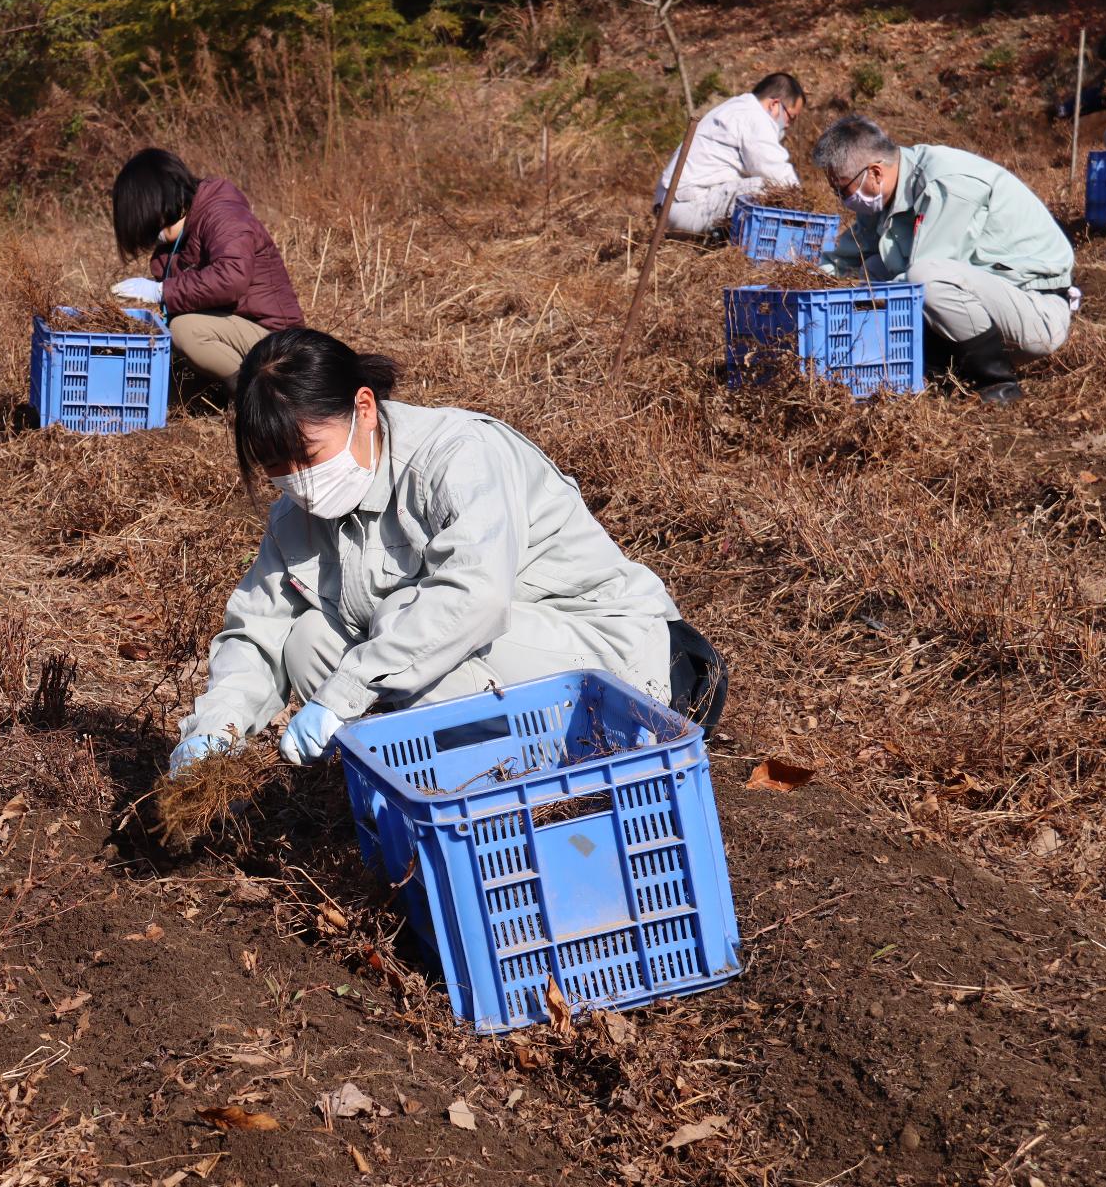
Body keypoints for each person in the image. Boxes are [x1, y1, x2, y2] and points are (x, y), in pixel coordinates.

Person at [166, 329, 724, 775]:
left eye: (308, 454)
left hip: (616, 659)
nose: (299, 481)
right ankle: (426, 780)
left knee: (395, 623)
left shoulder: (456, 456)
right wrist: (219, 730)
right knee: (308, 640)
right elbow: (256, 630)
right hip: (497, 664)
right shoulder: (297, 516)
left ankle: (496, 782)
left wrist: (347, 691)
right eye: (276, 467)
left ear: (363, 409)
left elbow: (472, 598)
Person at [813, 115, 1075, 408]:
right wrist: (811, 284)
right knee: (872, 268)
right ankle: (939, 366)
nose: (842, 199)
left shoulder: (946, 183)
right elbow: (844, 260)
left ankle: (997, 381)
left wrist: (869, 294)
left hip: (1035, 311)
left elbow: (923, 280)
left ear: (874, 172)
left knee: (925, 277)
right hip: (986, 306)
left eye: (843, 189)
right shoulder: (884, 196)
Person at [108, 148, 305, 383]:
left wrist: (161, 291)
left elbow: (231, 278)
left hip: (279, 344)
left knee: (185, 330)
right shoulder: (176, 241)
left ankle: (257, 399)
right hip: (239, 334)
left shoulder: (223, 215)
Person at [654, 72, 806, 236]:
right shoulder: (754, 117)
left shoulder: (738, 108)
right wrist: (804, 205)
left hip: (674, 203)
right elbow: (778, 174)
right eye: (791, 117)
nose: (789, 125)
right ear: (774, 104)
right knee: (767, 187)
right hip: (686, 205)